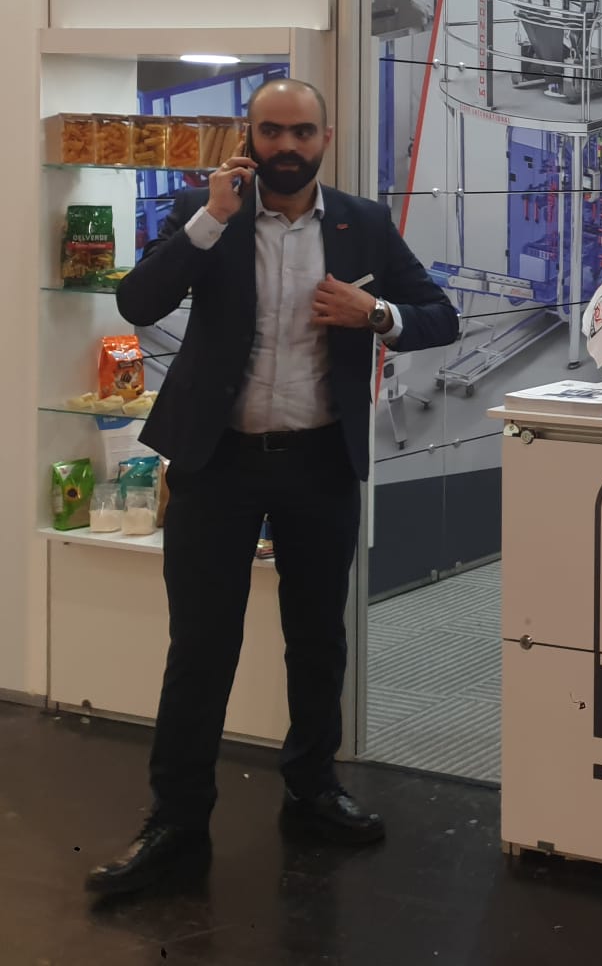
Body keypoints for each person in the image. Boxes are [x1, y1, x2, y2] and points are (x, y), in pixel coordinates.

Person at [88, 79, 459, 897]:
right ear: (248, 137)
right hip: (217, 462)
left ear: (324, 138)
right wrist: (212, 218)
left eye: (301, 132)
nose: (286, 146)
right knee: (201, 646)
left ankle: (313, 789)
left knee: (318, 638)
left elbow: (441, 315)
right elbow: (137, 299)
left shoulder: (360, 222)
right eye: (271, 131)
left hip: (319, 461)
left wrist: (375, 313)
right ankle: (177, 820)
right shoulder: (207, 211)